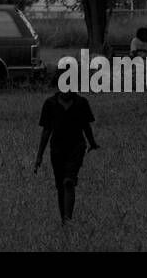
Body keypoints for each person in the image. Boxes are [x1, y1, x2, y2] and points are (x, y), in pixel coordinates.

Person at [35, 85, 99, 223]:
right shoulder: (50, 103)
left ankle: (68, 220)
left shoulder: (81, 103)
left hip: (76, 147)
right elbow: (46, 130)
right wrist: (39, 156)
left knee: (68, 182)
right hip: (57, 149)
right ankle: (64, 220)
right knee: (60, 186)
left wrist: (92, 143)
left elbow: (86, 126)